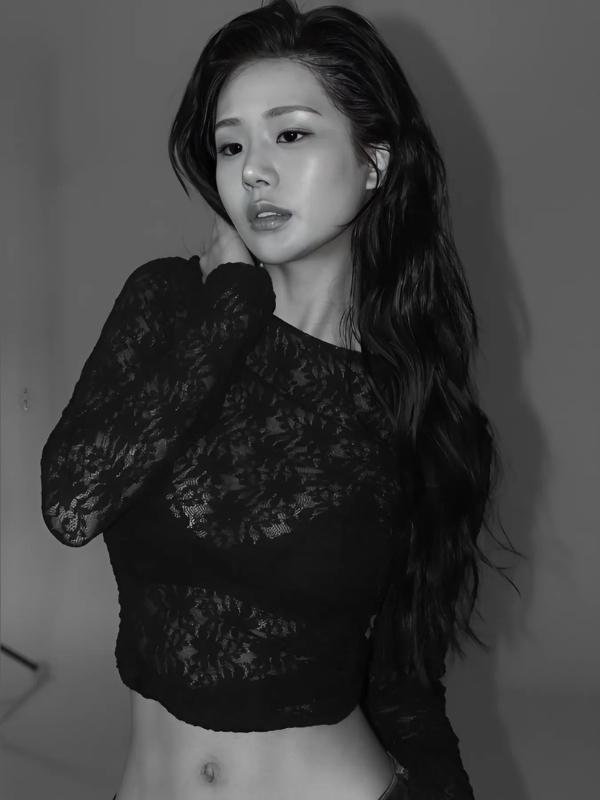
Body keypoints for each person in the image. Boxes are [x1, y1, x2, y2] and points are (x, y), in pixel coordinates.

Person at [40, 1, 522, 799]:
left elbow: (404, 680)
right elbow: (72, 501)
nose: (252, 170)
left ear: (375, 162)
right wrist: (232, 301)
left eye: (291, 134)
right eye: (231, 144)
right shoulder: (172, 306)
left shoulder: (417, 414)